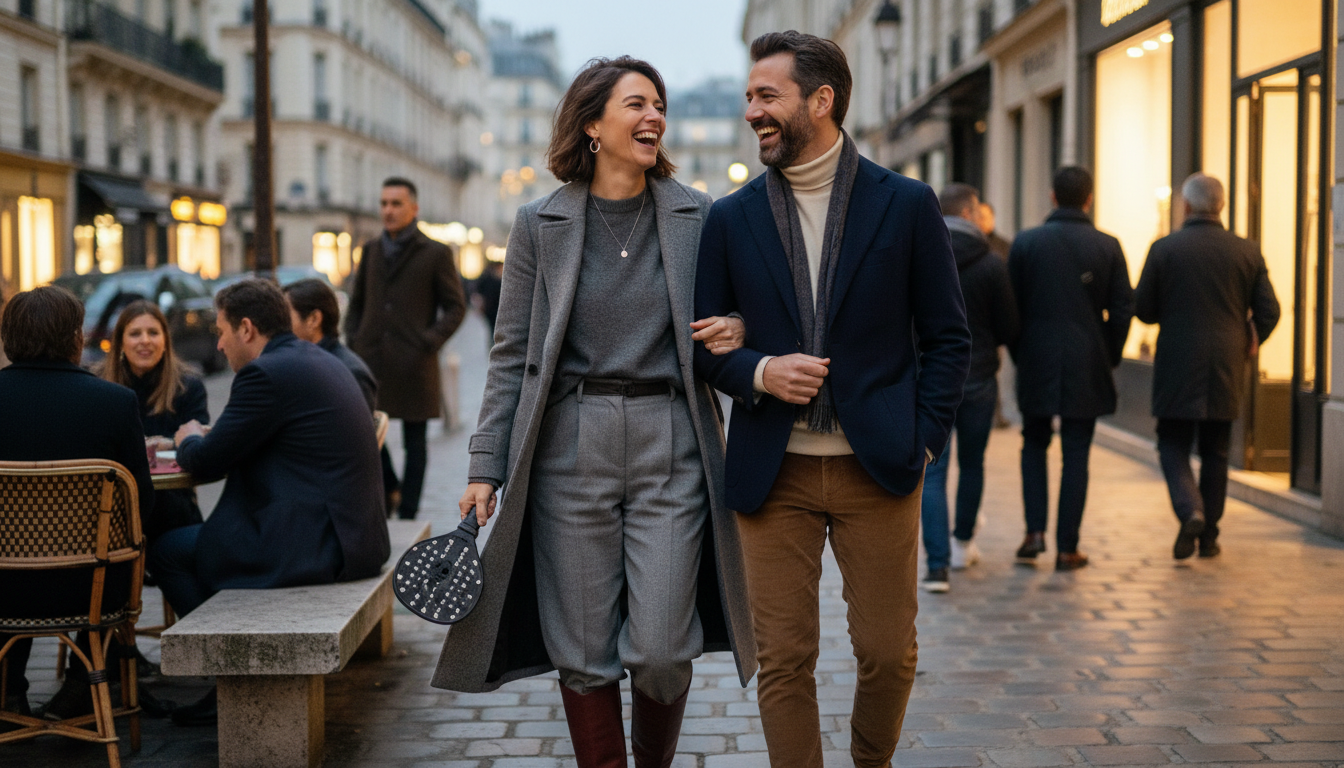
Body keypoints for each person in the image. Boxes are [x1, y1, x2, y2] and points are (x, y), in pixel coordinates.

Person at [433, 56, 756, 768]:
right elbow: (512, 354)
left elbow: (745, 307)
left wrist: (738, 325)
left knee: (666, 648)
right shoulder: (539, 223)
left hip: (671, 440)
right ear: (592, 126)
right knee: (583, 650)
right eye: (637, 104)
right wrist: (486, 466)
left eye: (659, 105)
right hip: (567, 446)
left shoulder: (698, 214)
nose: (655, 117)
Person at [694, 33, 970, 768]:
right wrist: (759, 372)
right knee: (783, 660)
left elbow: (948, 337)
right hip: (770, 470)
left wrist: (927, 439)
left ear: (822, 100)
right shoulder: (730, 216)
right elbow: (703, 345)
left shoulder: (906, 204)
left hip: (877, 465)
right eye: (749, 96)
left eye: (767, 96)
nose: (751, 111)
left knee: (887, 653)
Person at [149, 279, 390, 723]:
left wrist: (187, 436)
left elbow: (206, 463)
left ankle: (229, 669)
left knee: (166, 551)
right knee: (191, 544)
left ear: (246, 328)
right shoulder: (308, 357)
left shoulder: (265, 373)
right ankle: (229, 670)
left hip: (317, 544)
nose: (218, 345)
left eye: (221, 332)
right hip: (354, 537)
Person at [0, 286, 154, 722]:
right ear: (76, 337)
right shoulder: (114, 403)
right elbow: (139, 507)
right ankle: (84, 686)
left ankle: (8, 689)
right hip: (92, 591)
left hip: (3, 588)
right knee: (122, 554)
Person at [1135, 173, 1280, 561]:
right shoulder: (1246, 251)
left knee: (1172, 441)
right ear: (1223, 206)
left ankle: (1190, 509)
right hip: (1227, 363)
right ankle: (1210, 537)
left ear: (1185, 206)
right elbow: (1270, 310)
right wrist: (1250, 336)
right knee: (1216, 449)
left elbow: (1144, 309)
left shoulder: (1164, 249)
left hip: (1177, 360)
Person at [1009, 166, 1134, 570]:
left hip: (1036, 358)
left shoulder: (1026, 243)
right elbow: (1121, 310)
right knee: (1076, 452)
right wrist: (1108, 353)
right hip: (1086, 358)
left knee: (1034, 443)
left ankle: (1034, 532)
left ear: (1052, 196)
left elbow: (1011, 310)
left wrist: (1020, 351)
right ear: (1089, 199)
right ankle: (1067, 547)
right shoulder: (1108, 245)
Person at [345, 177, 467, 520]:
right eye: (384, 203)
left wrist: (428, 342)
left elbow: (456, 307)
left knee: (416, 442)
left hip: (415, 361)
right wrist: (352, 340)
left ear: (414, 208)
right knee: (367, 433)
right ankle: (389, 488)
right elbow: (357, 302)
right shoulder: (370, 250)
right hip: (369, 359)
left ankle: (409, 511)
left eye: (396, 203)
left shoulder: (435, 252)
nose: (388, 210)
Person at [919, 183, 1019, 592]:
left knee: (933, 471)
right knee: (974, 464)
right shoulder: (992, 263)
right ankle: (962, 545)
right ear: (970, 212)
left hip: (928, 378)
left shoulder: (920, 258)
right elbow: (1009, 326)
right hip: (977, 378)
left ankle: (937, 566)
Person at [98, 300, 211, 541]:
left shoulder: (188, 387)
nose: (145, 341)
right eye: (135, 333)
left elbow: (201, 441)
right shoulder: (100, 386)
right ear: (120, 342)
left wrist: (169, 444)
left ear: (165, 340)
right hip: (115, 508)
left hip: (173, 508)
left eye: (153, 333)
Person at [284, 277, 377, 413]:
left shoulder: (351, 373)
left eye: (286, 316)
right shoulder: (298, 361)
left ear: (314, 319)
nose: (280, 325)